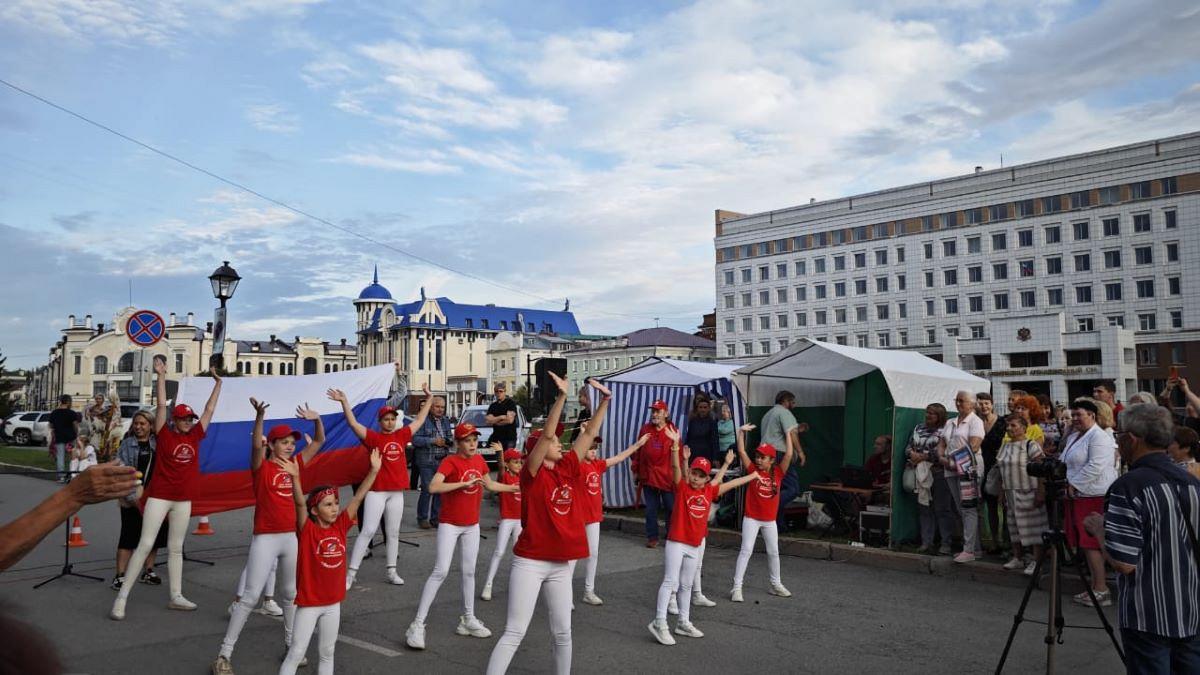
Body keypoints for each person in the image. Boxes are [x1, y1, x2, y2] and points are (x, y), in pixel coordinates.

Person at [485, 373, 610, 675]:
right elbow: (547, 433)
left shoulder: (568, 468)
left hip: (561, 564)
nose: (559, 443)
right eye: (554, 441)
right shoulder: (532, 474)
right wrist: (562, 397)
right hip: (531, 562)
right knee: (515, 631)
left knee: (563, 633)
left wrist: (605, 401)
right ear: (538, 449)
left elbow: (590, 431)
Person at [211, 400, 327, 675]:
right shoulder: (262, 468)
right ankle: (224, 654)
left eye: (292, 442)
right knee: (250, 596)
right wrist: (260, 416)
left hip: (291, 538)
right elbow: (254, 447)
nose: (290, 446)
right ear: (272, 445)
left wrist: (317, 419)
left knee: (290, 595)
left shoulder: (296, 463)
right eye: (284, 442)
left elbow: (319, 441)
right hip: (265, 537)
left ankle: (291, 648)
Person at [1083, 404, 1200, 672]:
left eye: (1120, 434)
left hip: (1148, 615)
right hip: (1191, 608)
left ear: (1132, 439)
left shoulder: (1129, 486)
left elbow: (1124, 563)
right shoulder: (1192, 482)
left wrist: (1100, 530)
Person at [110, 360, 222, 620]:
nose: (188, 421)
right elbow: (161, 405)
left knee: (176, 547)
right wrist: (161, 376)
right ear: (175, 420)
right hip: (159, 497)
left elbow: (209, 409)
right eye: (183, 418)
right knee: (145, 543)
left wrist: (218, 384)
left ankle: (176, 596)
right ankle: (122, 597)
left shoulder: (195, 435)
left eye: (189, 418)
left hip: (183, 500)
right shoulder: (164, 434)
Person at [405, 426, 519, 650]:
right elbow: (434, 486)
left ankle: (468, 619)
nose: (473, 444)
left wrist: (514, 487)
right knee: (441, 571)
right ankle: (417, 625)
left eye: (475, 439)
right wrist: (462, 484)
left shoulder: (478, 462)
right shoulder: (450, 462)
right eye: (467, 440)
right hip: (450, 524)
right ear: (458, 442)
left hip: (471, 526)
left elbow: (491, 484)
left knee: (469, 571)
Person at [648, 437, 761, 645]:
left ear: (706, 479)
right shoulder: (682, 488)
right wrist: (675, 449)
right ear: (689, 472)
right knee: (670, 581)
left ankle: (683, 622)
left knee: (687, 585)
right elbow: (675, 467)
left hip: (694, 544)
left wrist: (752, 475)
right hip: (677, 542)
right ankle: (659, 622)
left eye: (701, 476)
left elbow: (731, 483)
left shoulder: (709, 490)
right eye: (694, 473)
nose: (696, 478)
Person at [277, 449, 381, 675]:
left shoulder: (341, 525)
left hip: (333, 604)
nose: (334, 508)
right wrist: (295, 478)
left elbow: (358, 497)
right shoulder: (307, 531)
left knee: (327, 653)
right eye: (327, 505)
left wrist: (373, 471)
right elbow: (299, 504)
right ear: (314, 510)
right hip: (309, 605)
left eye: (335, 503)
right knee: (296, 653)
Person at [327, 379, 433, 588]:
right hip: (376, 491)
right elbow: (353, 424)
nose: (390, 422)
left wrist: (429, 398)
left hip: (396, 493)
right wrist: (344, 402)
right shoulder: (374, 438)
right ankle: (351, 574)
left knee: (393, 533)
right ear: (380, 421)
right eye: (386, 419)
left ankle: (392, 571)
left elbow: (420, 420)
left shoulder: (402, 435)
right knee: (367, 530)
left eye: (392, 419)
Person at [574, 432, 646, 606]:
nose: (593, 452)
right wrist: (583, 435)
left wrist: (636, 446)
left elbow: (619, 458)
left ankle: (589, 590)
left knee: (593, 553)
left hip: (593, 516)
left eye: (595, 448)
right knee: (572, 556)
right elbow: (574, 453)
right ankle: (564, 594)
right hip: (577, 516)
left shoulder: (597, 465)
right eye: (590, 448)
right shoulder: (575, 465)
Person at [1060, 398, 1118, 607]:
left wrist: (1074, 485)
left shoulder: (1100, 437)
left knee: (1091, 542)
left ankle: (1101, 589)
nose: (1075, 419)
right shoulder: (1075, 435)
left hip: (1093, 494)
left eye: (1079, 415)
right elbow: (1064, 459)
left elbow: (1096, 465)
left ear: (1092, 415)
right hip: (1077, 495)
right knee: (1084, 543)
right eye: (1072, 415)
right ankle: (1095, 586)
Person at [731, 427, 794, 602]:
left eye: (762, 457)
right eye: (757, 456)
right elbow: (742, 450)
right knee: (746, 550)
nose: (758, 460)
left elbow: (788, 455)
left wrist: (788, 434)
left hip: (769, 521)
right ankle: (736, 588)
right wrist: (741, 432)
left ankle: (776, 584)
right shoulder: (753, 470)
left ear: (772, 460)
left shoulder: (778, 473)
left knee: (773, 552)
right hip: (751, 518)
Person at [113, 410, 166, 589]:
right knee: (128, 536)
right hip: (132, 497)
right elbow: (123, 472)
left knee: (153, 536)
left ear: (151, 426)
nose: (138, 427)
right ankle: (120, 576)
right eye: (136, 423)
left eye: (143, 424)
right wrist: (133, 498)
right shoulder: (127, 444)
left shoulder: (158, 443)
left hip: (155, 498)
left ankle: (148, 571)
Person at [937, 391, 985, 563]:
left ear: (972, 404)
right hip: (950, 468)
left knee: (969, 508)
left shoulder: (975, 421)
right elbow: (942, 443)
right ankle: (976, 548)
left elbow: (974, 445)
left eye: (962, 400)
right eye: (956, 400)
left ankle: (969, 550)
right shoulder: (950, 422)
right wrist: (942, 458)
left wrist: (951, 460)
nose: (958, 403)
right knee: (960, 508)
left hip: (968, 468)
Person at [995, 416, 1047, 576]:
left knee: (1033, 527)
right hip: (1010, 492)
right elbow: (1001, 472)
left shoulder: (1031, 446)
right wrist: (1002, 492)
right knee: (1014, 526)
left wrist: (1041, 492)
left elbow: (1041, 470)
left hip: (1028, 491)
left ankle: (1037, 561)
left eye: (1013, 425)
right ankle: (1017, 557)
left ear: (1024, 428)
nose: (1009, 428)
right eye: (1008, 425)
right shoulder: (1005, 446)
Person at [758, 391, 808, 534]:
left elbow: (780, 432)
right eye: (792, 402)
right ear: (785, 401)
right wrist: (801, 452)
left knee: (776, 488)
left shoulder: (768, 414)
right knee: (793, 489)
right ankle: (769, 511)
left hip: (765, 454)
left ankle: (778, 526)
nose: (794, 405)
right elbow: (791, 433)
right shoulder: (784, 413)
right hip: (778, 454)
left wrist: (799, 428)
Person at [632, 400, 679, 548]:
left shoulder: (672, 430)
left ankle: (671, 537)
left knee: (671, 508)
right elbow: (638, 451)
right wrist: (636, 470)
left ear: (666, 413)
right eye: (653, 411)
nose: (654, 414)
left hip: (667, 478)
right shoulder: (645, 429)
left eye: (658, 411)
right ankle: (652, 538)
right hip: (649, 476)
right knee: (650, 509)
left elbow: (678, 453)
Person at [481, 449, 525, 601]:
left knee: (519, 554)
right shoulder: (504, 477)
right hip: (507, 519)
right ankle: (488, 584)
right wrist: (500, 453)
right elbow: (500, 468)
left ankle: (518, 585)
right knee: (499, 552)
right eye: (515, 462)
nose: (519, 465)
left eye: (520, 462)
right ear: (507, 464)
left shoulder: (522, 477)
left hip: (520, 520)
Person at [905, 404, 949, 554]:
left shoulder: (946, 430)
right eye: (927, 412)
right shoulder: (918, 428)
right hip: (920, 471)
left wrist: (923, 456)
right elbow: (908, 447)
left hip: (938, 472)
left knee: (941, 508)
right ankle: (926, 542)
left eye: (933, 413)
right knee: (924, 507)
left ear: (940, 416)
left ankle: (945, 543)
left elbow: (944, 452)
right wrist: (912, 455)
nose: (928, 415)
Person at [412, 395, 454, 529]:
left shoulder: (446, 421)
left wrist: (448, 442)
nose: (440, 410)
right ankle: (422, 518)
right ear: (430, 407)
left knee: (440, 491)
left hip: (442, 460)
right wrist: (433, 441)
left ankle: (436, 518)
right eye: (437, 407)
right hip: (426, 460)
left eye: (442, 407)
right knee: (427, 489)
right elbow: (415, 440)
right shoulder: (422, 420)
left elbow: (450, 438)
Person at [977, 392, 1006, 554]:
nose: (983, 406)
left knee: (1001, 505)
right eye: (980, 403)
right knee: (988, 506)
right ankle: (992, 540)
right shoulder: (975, 422)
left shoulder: (1002, 422)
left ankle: (1005, 541)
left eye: (986, 403)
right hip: (980, 466)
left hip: (997, 467)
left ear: (992, 404)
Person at [47, 395, 81, 483]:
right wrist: (76, 434)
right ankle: (72, 475)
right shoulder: (72, 413)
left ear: (61, 401)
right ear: (69, 402)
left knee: (60, 457)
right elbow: (75, 426)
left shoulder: (54, 413)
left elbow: (51, 425)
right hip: (71, 437)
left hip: (59, 437)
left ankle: (61, 477)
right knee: (72, 457)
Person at [683, 393, 720, 465]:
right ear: (697, 408)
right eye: (700, 407)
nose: (702, 409)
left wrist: (716, 458)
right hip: (692, 455)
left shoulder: (712, 422)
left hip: (706, 455)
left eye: (705, 407)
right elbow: (688, 438)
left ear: (709, 408)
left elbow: (715, 441)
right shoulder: (692, 421)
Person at [486, 382, 519, 450]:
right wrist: (501, 417)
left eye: (501, 391)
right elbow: (488, 421)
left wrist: (495, 421)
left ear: (505, 392)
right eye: (496, 391)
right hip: (496, 437)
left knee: (508, 458)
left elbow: (510, 420)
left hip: (509, 438)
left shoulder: (510, 403)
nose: (498, 393)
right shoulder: (493, 406)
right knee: (490, 455)